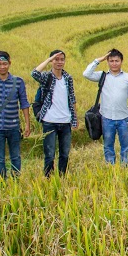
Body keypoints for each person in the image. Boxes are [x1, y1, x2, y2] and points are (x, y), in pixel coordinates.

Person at [83, 49, 128, 165]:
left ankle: (125, 166)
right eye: (111, 61)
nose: (114, 63)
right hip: (107, 118)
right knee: (108, 145)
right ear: (107, 62)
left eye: (116, 61)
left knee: (126, 145)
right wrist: (99, 60)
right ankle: (110, 167)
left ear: (121, 61)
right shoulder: (102, 76)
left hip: (124, 118)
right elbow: (86, 74)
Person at [32, 50, 78, 178]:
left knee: (64, 154)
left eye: (62, 59)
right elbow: (34, 73)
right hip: (49, 121)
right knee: (50, 154)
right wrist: (48, 60)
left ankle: (62, 178)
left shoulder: (68, 78)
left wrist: (74, 118)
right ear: (52, 61)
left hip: (66, 121)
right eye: (56, 59)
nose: (59, 62)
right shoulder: (47, 77)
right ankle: (48, 179)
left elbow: (72, 98)